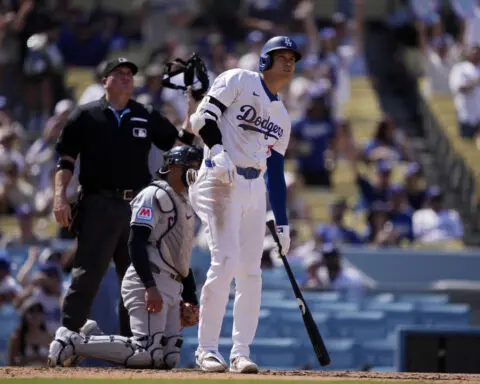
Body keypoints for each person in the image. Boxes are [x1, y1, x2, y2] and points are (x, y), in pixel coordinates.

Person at [52, 57, 198, 338]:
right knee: (87, 273)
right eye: (118, 73)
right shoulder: (86, 115)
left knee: (135, 279)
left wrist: (191, 106)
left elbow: (179, 144)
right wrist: (60, 197)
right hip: (98, 203)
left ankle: (134, 344)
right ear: (103, 81)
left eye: (130, 73)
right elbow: (66, 160)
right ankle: (67, 336)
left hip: (138, 206)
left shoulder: (145, 113)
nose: (125, 77)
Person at [188, 36, 302, 373]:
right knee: (224, 262)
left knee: (251, 273)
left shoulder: (282, 114)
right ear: (264, 60)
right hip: (222, 178)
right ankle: (207, 349)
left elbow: (277, 172)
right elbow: (202, 117)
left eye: (293, 58)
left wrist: (281, 222)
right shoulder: (239, 79)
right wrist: (218, 151)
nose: (289, 62)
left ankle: (241, 351)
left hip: (254, 189)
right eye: (281, 56)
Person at [47, 145, 203, 369]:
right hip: (149, 277)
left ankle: (93, 335)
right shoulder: (153, 195)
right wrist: (149, 286)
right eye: (193, 167)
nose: (196, 174)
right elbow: (136, 242)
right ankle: (72, 341)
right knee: (147, 351)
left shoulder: (186, 202)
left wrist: (190, 299)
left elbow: (183, 257)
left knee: (168, 358)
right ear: (174, 168)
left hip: (173, 283)